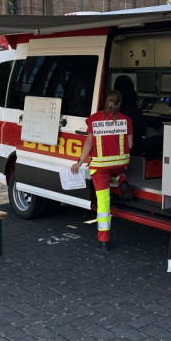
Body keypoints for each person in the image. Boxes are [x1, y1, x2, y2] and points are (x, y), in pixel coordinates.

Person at [71, 90, 133, 250]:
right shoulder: (126, 120)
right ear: (119, 103)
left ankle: (104, 240)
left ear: (105, 102)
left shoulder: (95, 119)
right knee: (117, 171)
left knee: (103, 202)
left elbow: (89, 142)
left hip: (101, 167)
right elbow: (130, 144)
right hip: (120, 164)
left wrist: (79, 162)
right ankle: (122, 179)